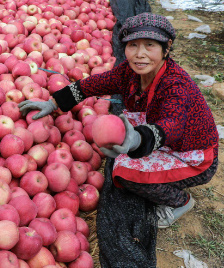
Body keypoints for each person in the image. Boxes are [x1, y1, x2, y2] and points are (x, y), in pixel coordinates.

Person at [19, 12, 219, 228]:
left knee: (126, 174)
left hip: (193, 155)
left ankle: (180, 201)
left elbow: (172, 125)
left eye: (150, 45)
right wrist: (54, 103)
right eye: (133, 45)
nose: (140, 54)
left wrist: (136, 140)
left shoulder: (175, 85)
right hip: (164, 142)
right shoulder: (129, 73)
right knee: (124, 152)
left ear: (166, 47)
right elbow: (93, 84)